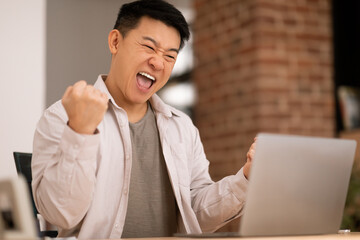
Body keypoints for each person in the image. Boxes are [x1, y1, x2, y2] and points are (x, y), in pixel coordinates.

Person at [32, 0, 256, 239]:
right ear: (115, 42)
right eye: (149, 47)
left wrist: (245, 178)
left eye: (170, 56)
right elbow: (60, 214)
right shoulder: (63, 116)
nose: (158, 63)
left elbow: (195, 215)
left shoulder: (181, 127)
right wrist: (80, 133)